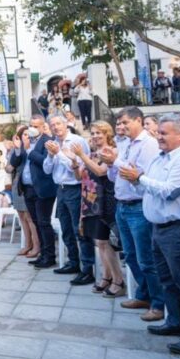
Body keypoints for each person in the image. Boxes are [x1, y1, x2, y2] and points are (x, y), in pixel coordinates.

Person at [120, 113, 180, 354]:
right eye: (158, 132)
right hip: (159, 228)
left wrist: (139, 178)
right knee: (168, 280)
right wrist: (136, 179)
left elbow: (171, 192)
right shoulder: (160, 158)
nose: (158, 136)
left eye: (163, 133)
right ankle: (176, 322)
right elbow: (147, 186)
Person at [99, 106, 165, 322]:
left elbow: (140, 176)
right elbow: (115, 175)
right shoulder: (125, 143)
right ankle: (143, 295)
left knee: (146, 258)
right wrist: (111, 163)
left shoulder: (149, 144)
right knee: (131, 255)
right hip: (122, 204)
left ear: (139, 120)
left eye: (126, 122)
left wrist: (115, 162)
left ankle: (158, 303)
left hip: (138, 205)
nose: (122, 126)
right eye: (120, 122)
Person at [71, 121, 125, 297]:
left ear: (107, 134)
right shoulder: (92, 153)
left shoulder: (111, 152)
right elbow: (80, 176)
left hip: (105, 200)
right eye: (93, 133)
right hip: (90, 201)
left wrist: (82, 156)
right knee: (99, 242)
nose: (95, 136)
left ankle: (118, 280)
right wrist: (74, 163)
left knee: (106, 242)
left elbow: (101, 172)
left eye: (98, 133)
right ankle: (106, 276)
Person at [43, 114, 95, 285]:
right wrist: (51, 156)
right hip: (61, 189)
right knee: (65, 229)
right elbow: (47, 170)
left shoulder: (77, 141)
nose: (55, 127)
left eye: (58, 124)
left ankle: (88, 269)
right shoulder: (53, 143)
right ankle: (73, 263)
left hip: (75, 188)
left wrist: (59, 154)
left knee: (79, 230)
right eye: (52, 125)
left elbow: (78, 167)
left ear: (66, 125)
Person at [10, 115, 57, 268]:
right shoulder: (26, 141)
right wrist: (18, 149)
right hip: (27, 188)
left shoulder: (47, 141)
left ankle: (49, 257)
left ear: (43, 127)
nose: (32, 128)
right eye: (31, 125)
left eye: (36, 126)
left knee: (44, 223)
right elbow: (14, 163)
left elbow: (45, 163)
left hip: (42, 189)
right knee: (36, 223)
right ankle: (42, 254)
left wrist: (29, 150)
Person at [8, 125, 40, 257]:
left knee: (30, 217)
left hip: (28, 185)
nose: (27, 137)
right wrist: (16, 148)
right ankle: (27, 244)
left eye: (29, 134)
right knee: (22, 216)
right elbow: (12, 164)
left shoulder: (33, 148)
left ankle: (36, 245)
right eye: (24, 135)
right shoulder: (18, 149)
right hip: (17, 183)